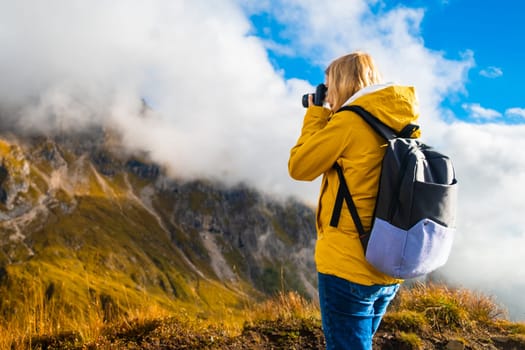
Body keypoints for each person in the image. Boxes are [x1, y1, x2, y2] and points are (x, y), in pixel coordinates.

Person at [288, 51, 420, 350]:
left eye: (329, 85)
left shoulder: (350, 122)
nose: (328, 93)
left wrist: (315, 113)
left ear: (341, 82)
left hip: (349, 263)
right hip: (388, 260)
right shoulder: (400, 122)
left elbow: (300, 167)